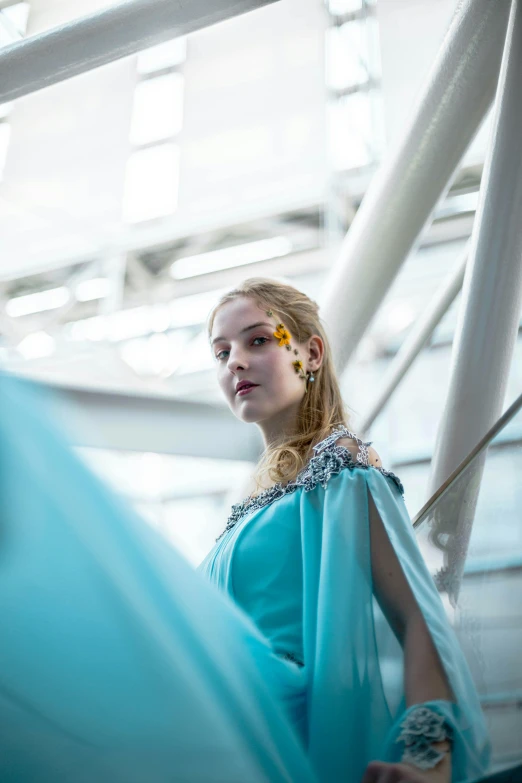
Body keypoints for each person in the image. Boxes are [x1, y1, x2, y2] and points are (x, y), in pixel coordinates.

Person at [0, 277, 490, 782]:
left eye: (257, 340)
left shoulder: (342, 468)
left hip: (269, 730)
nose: (233, 361)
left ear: (312, 353)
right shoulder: (254, 507)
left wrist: (428, 758)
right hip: (218, 719)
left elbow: (418, 620)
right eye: (220, 352)